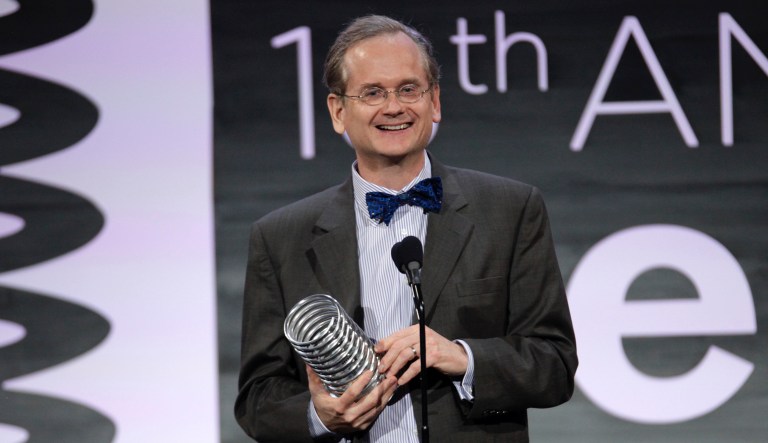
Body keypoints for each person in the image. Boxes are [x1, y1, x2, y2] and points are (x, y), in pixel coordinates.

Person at [236, 14, 577, 442]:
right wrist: (321, 417)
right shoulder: (280, 237)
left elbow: (555, 364)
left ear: (434, 101)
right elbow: (257, 399)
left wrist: (461, 356)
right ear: (338, 110)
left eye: (409, 89)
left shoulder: (509, 210)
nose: (394, 107)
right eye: (373, 92)